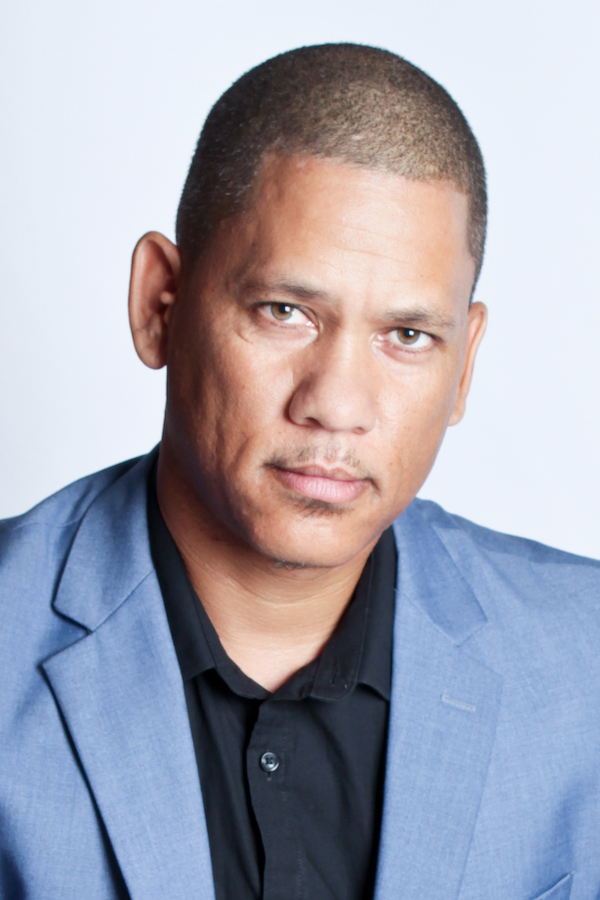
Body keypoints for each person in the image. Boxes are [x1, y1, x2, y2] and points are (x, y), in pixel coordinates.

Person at [0, 42, 598, 900]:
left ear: (464, 365)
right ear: (159, 305)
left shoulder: (585, 666)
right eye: (284, 311)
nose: (337, 404)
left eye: (407, 335)